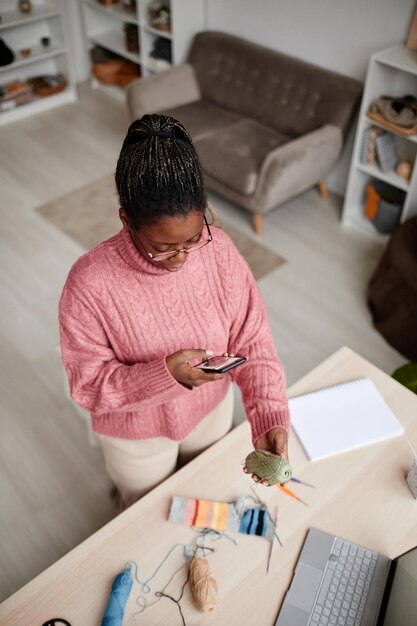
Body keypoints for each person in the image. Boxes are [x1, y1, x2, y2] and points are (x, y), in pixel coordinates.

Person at [59, 114, 290, 510]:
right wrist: (165, 376)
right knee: (147, 513)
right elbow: (89, 387)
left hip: (212, 413)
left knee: (205, 497)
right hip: (137, 439)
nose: (181, 258)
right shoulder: (89, 284)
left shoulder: (219, 251)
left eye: (193, 238)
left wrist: (269, 415)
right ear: (126, 220)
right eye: (162, 247)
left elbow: (252, 340)